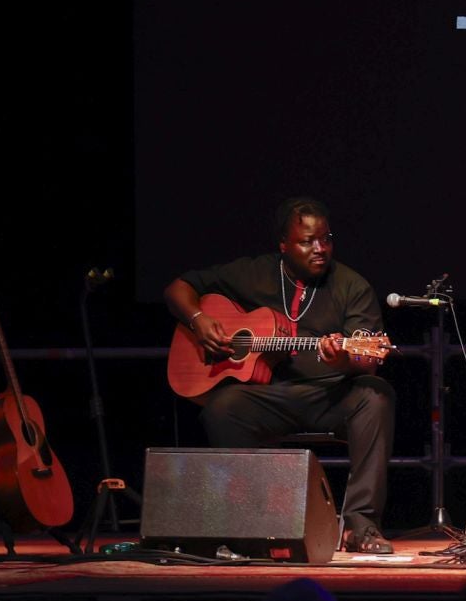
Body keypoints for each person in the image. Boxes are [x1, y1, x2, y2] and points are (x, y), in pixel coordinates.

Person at [164, 197, 397, 554]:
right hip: (270, 396)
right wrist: (198, 320)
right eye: (307, 241)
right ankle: (255, 524)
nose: (319, 249)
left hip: (328, 396)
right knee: (222, 408)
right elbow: (177, 289)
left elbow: (368, 361)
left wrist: (340, 362)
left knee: (375, 394)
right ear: (284, 245)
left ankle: (360, 525)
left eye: (325, 239)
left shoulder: (353, 286)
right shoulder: (252, 273)